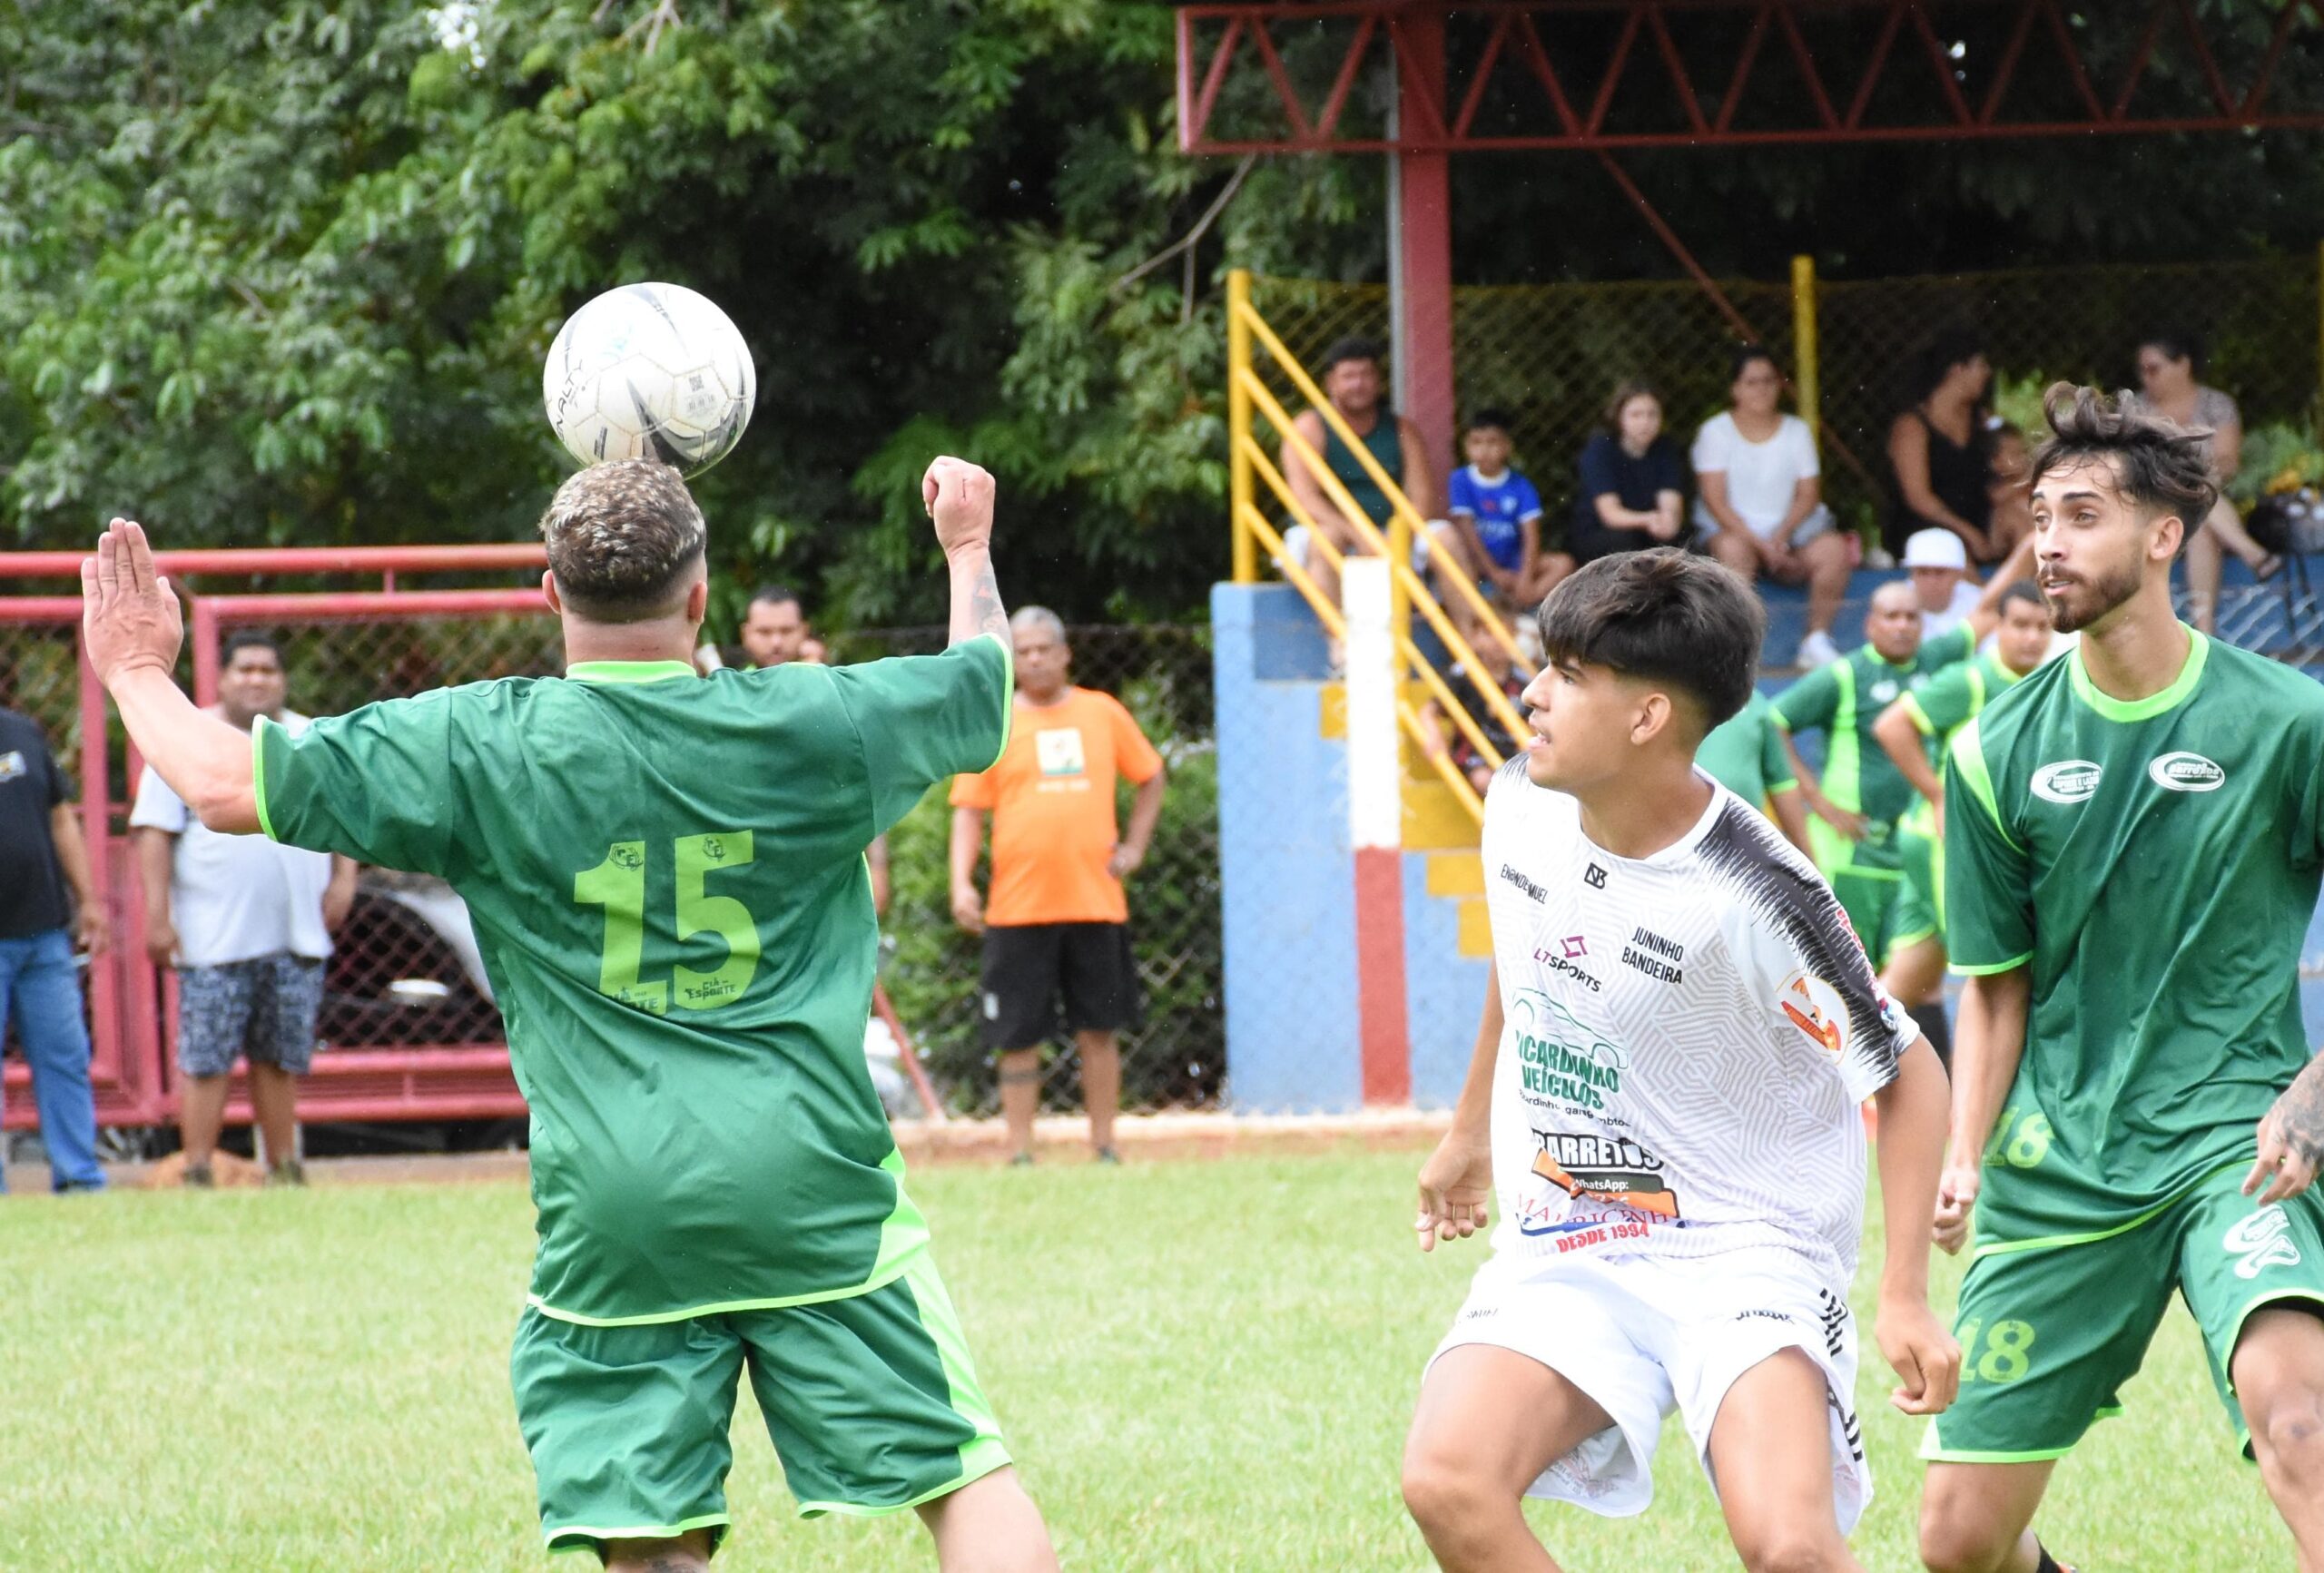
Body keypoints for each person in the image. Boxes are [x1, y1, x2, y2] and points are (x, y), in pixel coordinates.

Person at [80, 460, 1058, 1572]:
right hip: (813, 1178)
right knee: (963, 1477)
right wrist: (967, 544)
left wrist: (136, 666)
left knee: (646, 1534)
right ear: (702, 599)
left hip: (615, 1199)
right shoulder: (815, 717)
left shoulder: (478, 745)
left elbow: (215, 782)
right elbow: (980, 680)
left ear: (548, 593)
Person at [1401, 548, 1956, 1573]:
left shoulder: (1760, 892)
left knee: (1789, 1547)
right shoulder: (1518, 798)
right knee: (1446, 1478)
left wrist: (1905, 1292)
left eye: (1567, 673)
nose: (1531, 693)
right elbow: (1524, 953)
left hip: (1746, 1247)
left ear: (1647, 716)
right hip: (1574, 1229)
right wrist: (1467, 1128)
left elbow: (1908, 1071)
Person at [1920, 385, 2324, 1573]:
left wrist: (2313, 1089)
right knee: (1958, 1542)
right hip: (2064, 1161)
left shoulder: (2290, 721)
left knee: (2300, 1421)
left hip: (2234, 1141)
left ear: (2162, 535)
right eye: (2039, 515)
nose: (2048, 541)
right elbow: (1995, 984)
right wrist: (1961, 1150)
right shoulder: (1992, 749)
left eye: (2082, 514)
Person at [131, 631, 357, 1187]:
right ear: (223, 678)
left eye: (268, 670)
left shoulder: (309, 737)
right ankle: (198, 1169)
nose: (256, 680)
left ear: (283, 680)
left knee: (280, 1057)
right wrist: (158, 917)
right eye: (244, 669)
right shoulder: (189, 738)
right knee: (207, 1058)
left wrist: (343, 881)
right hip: (213, 937)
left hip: (295, 932)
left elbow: (348, 815)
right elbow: (155, 832)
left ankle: (284, 1167)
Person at [949, 607, 1166, 1166]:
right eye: (1023, 650)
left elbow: (1151, 776)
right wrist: (961, 884)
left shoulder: (1102, 712)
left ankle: (1105, 1146)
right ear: (1011, 659)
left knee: (1100, 1028)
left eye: (1045, 648)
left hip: (1095, 902)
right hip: (1016, 908)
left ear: (1066, 653)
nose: (1035, 658)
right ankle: (1020, 1151)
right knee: (1017, 1034)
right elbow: (968, 812)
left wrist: (1135, 848)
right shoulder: (995, 723)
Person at [1773, 577, 2012, 995]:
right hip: (1854, 859)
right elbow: (1774, 723)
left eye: (1911, 617)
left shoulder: (1933, 662)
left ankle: (1932, 1061)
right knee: (1843, 985)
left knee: (1914, 984)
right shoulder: (1844, 675)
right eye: (1891, 617)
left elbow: (1990, 610)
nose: (1902, 626)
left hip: (1910, 855)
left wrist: (2032, 540)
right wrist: (1818, 802)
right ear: (1870, 624)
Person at [1866, 583, 2055, 1068]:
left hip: (1963, 845)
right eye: (2020, 625)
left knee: (1909, 972)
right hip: (1945, 842)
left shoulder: (2047, 685)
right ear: (1998, 628)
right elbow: (1892, 725)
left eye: (2042, 626)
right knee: (1992, 967)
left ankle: (1842, 1072)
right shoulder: (1970, 680)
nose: (2032, 638)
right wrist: (1937, 794)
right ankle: (1994, 1086)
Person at [0, 702, 109, 1194]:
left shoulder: (23, 731)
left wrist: (89, 900)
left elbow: (61, 819)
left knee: (65, 1056)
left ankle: (79, 1177)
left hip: (44, 933)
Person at [1693, 345, 1854, 668]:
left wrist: (1780, 537)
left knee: (1834, 550)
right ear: (1735, 388)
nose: (1762, 389)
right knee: (1733, 551)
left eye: (1769, 380)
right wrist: (1762, 546)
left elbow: (1808, 494)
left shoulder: (1797, 431)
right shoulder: (1715, 432)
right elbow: (1715, 500)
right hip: (1737, 534)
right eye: (1752, 382)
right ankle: (1738, 649)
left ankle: (1816, 640)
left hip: (1790, 537)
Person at [2125, 327, 2280, 635]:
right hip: (2153, 501)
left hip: (2205, 501)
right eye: (2142, 370)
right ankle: (2253, 554)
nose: (2146, 378)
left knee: (2197, 521)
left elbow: (2227, 462)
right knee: (2193, 498)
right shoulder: (2134, 409)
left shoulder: (2217, 404)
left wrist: (2191, 480)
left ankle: (2204, 631)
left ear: (2183, 364)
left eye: (2154, 368)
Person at [1281, 337, 1438, 617]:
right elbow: (1305, 499)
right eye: (1349, 376)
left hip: (1391, 532)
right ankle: (1338, 641)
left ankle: (1470, 643)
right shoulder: (1311, 426)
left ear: (1378, 381)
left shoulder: (1402, 429)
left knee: (1445, 538)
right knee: (1326, 540)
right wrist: (1359, 535)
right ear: (1330, 383)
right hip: (1332, 530)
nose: (1358, 383)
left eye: (1366, 374)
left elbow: (1422, 499)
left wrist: (1397, 536)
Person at [1887, 327, 2008, 565]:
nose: (1987, 373)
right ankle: (1988, 601)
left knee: (2019, 515)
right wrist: (1967, 533)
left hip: (1979, 522)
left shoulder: (1981, 420)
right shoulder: (1912, 426)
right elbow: (1918, 498)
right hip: (1932, 526)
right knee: (1952, 550)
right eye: (1980, 365)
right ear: (1957, 370)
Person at [1444, 408, 1569, 619]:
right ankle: (1507, 608)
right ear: (1466, 446)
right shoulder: (1461, 480)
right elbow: (1467, 530)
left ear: (1507, 446)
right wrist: (1493, 572)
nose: (1484, 450)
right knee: (1457, 566)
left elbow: (1531, 535)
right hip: (1479, 563)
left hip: (1513, 563)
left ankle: (1518, 602)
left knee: (1562, 564)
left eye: (1492, 442)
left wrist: (1525, 577)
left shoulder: (1521, 485)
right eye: (1476, 442)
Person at [1566, 380, 1686, 568]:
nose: (1645, 422)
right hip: (1601, 533)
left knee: (1686, 545)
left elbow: (1670, 502)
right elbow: (1610, 514)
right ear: (1619, 417)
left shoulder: (1666, 448)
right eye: (1636, 415)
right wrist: (1650, 519)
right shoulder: (1600, 449)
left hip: (1648, 529)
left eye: (1652, 414)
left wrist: (1669, 521)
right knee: (1627, 546)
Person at [1693, 687, 1812, 856]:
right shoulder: (1670, 694)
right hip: (1678, 840)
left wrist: (1808, 862)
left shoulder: (1754, 701)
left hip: (1742, 845)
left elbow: (1781, 784)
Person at [1903, 529, 1989, 642]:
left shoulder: (1979, 602)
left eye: (1940, 572)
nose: (1931, 581)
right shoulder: (1895, 603)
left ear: (1959, 574)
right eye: (1923, 572)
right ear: (1911, 574)